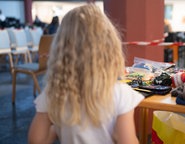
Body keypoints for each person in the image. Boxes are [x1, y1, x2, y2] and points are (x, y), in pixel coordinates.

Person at [28, 3, 144, 144]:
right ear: (109, 48)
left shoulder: (54, 92)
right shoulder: (120, 94)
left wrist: (56, 130)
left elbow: (36, 140)